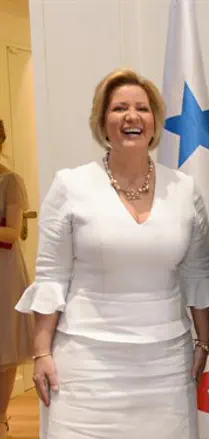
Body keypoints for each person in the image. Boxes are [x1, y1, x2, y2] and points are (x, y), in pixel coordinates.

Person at [14, 68, 209, 439]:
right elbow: (51, 276)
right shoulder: (70, 185)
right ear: (102, 122)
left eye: (142, 108)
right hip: (86, 365)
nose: (131, 116)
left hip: (166, 365)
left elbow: (197, 275)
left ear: (155, 121)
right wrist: (41, 353)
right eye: (119, 108)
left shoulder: (185, 189)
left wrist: (203, 342)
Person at [0, 119, 34, 439]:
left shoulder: (10, 181)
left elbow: (11, 232)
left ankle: (1, 417)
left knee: (5, 347)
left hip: (4, 271)